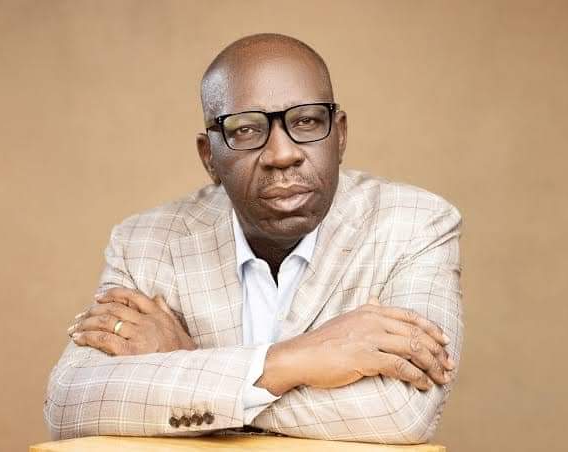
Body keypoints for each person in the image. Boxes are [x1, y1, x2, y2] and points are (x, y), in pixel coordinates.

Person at [44, 33, 463, 445]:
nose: (282, 154)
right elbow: (71, 401)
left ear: (340, 135)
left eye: (306, 121)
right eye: (245, 129)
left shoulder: (414, 224)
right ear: (209, 156)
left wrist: (192, 368)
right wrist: (292, 361)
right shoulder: (146, 243)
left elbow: (400, 411)